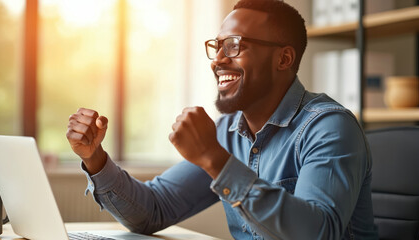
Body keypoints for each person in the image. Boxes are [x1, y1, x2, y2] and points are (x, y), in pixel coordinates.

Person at [66, 0, 378, 239]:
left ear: (283, 59)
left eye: (235, 46)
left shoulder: (329, 128)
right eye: (217, 46)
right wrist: (95, 159)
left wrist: (214, 159)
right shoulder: (229, 131)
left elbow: (318, 232)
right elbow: (153, 210)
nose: (218, 60)